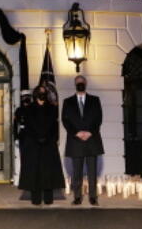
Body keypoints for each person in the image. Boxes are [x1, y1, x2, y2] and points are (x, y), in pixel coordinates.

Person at [61, 75, 103, 205]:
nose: (80, 84)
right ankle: (77, 197)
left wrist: (90, 132)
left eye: (82, 82)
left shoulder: (95, 100)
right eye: (78, 82)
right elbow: (65, 120)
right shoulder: (67, 101)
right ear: (75, 84)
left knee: (92, 172)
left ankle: (93, 197)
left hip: (92, 140)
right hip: (75, 140)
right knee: (77, 172)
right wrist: (76, 133)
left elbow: (98, 119)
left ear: (86, 83)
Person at [21, 84, 64, 205]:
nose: (42, 93)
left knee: (48, 171)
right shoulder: (29, 108)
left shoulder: (52, 108)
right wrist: (37, 138)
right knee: (35, 171)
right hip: (33, 144)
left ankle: (49, 199)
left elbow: (54, 126)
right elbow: (28, 127)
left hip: (48, 144)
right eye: (40, 92)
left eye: (44, 92)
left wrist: (49, 138)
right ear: (35, 94)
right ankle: (36, 199)